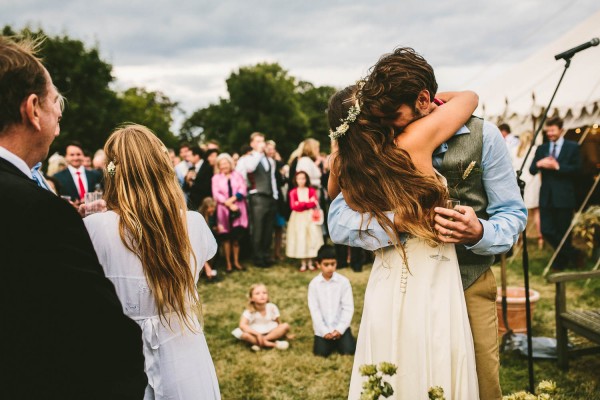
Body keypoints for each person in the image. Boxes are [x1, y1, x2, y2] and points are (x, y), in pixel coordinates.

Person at [328, 48, 526, 400]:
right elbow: (340, 221)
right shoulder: (376, 142)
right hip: (401, 288)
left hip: (469, 283)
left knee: (479, 386)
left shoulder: (485, 136)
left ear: (423, 100)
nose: (388, 124)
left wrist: (479, 231)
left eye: (393, 115)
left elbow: (513, 214)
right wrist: (396, 223)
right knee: (401, 380)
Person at [0, 35, 146, 399]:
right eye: (55, 100)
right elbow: (100, 337)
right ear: (32, 109)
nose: (59, 111)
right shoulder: (39, 210)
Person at [83, 124, 221, 399]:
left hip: (120, 353)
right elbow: (207, 254)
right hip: (184, 352)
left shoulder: (94, 228)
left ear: (112, 173)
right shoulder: (192, 223)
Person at [529, 117, 582, 270]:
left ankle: (561, 262)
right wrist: (539, 163)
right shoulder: (542, 148)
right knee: (546, 230)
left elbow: (578, 170)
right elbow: (532, 170)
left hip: (564, 196)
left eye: (553, 130)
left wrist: (557, 166)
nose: (550, 133)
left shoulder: (573, 147)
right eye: (548, 131)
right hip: (546, 196)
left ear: (561, 130)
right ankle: (574, 253)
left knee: (564, 231)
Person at [236, 132, 278, 267]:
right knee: (258, 228)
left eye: (263, 141)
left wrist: (275, 195)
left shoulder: (270, 160)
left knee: (268, 229)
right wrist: (259, 153)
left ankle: (266, 254)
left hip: (270, 196)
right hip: (257, 196)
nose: (261, 144)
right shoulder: (247, 159)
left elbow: (272, 178)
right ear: (252, 144)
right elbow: (250, 168)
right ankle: (257, 257)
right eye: (258, 141)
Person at [308, 245, 356, 357]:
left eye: (333, 264)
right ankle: (329, 342)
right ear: (318, 264)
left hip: (341, 328)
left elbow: (348, 308)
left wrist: (339, 329)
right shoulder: (314, 284)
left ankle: (341, 340)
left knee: (349, 351)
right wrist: (324, 331)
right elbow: (315, 310)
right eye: (326, 265)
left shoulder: (343, 282)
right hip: (322, 330)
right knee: (320, 354)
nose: (330, 268)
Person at [212, 153, 248, 273]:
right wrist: (227, 203)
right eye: (221, 164)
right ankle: (228, 264)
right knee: (226, 238)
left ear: (230, 163)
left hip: (238, 208)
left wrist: (233, 201)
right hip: (224, 210)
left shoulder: (237, 175)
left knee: (236, 237)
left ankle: (236, 262)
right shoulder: (216, 178)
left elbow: (242, 189)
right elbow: (216, 194)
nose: (224, 166)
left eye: (225, 163)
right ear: (218, 166)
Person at [231, 283, 291, 351]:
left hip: (270, 330)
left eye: (264, 293)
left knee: (285, 326)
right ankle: (274, 344)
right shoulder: (249, 311)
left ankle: (260, 342)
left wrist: (285, 335)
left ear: (268, 296)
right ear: (251, 298)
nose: (262, 295)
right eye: (257, 294)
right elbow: (242, 325)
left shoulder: (272, 307)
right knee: (245, 335)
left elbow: (278, 322)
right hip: (255, 332)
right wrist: (257, 334)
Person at [286, 171, 324, 271]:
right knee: (301, 237)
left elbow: (313, 203)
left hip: (310, 216)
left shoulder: (311, 191)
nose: (301, 181)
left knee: (311, 236)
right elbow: (294, 206)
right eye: (299, 178)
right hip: (298, 218)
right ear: (296, 180)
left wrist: (301, 203)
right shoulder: (293, 192)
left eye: (303, 178)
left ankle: (310, 261)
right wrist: (306, 203)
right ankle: (303, 262)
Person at [511, 131, 543, 248]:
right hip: (533, 181)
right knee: (536, 211)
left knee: (519, 211)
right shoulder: (534, 150)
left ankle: (519, 239)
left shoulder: (515, 150)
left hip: (518, 181)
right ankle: (540, 238)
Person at [199, 197, 218, 281]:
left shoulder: (210, 216)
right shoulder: (199, 217)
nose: (213, 210)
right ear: (206, 207)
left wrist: (216, 228)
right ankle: (207, 271)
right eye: (212, 207)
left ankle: (209, 271)